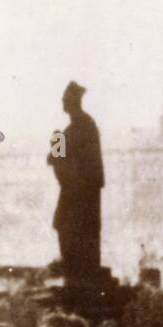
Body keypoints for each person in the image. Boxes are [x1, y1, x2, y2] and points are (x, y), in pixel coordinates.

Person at [47, 80, 105, 279]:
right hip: (76, 190)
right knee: (64, 226)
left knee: (70, 228)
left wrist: (57, 150)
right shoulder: (73, 129)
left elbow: (63, 160)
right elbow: (56, 159)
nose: (63, 103)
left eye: (65, 100)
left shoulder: (83, 126)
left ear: (72, 102)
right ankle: (75, 269)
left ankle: (78, 270)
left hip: (80, 191)